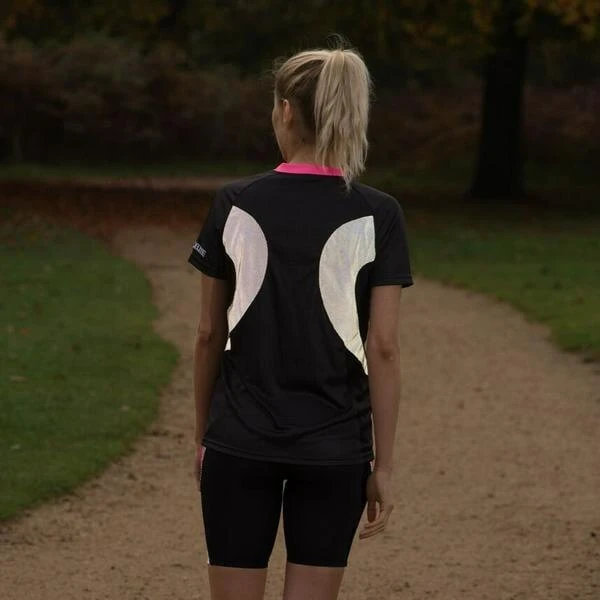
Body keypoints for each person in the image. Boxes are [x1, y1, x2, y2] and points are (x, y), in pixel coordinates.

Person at [188, 45, 413, 600]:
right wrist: (383, 465)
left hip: (239, 438)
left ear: (286, 110)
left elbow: (209, 333)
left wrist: (203, 435)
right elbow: (383, 346)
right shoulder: (379, 212)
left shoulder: (235, 202)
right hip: (336, 447)